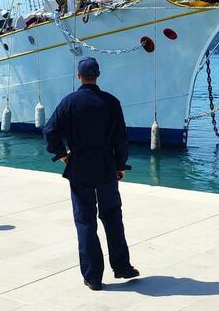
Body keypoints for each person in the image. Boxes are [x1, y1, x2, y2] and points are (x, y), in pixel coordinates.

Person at [44, 57, 140, 291]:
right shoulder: (111, 102)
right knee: (112, 217)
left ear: (79, 76)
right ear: (98, 74)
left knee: (85, 222)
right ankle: (122, 267)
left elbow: (50, 131)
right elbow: (121, 139)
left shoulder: (70, 102)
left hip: (80, 167)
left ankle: (93, 276)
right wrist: (120, 165)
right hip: (106, 166)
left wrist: (62, 154)